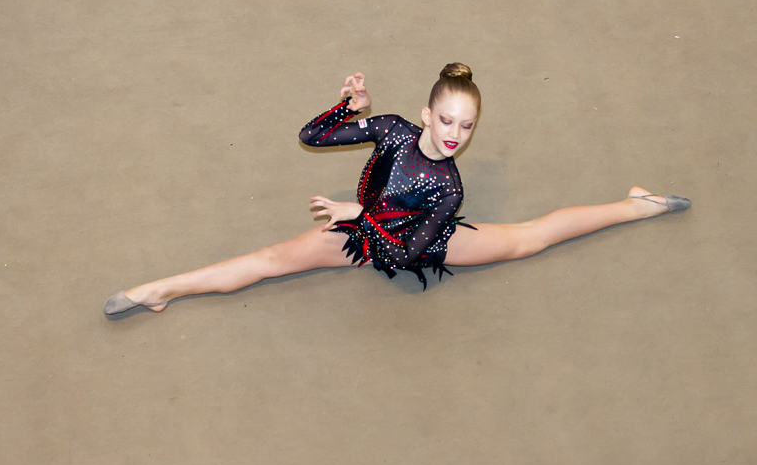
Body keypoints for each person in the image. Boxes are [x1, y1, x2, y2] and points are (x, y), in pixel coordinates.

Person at [104, 63, 690, 315]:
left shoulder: (449, 188)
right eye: (445, 121)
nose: (455, 134)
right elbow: (313, 134)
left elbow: (407, 255)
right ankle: (161, 290)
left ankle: (634, 205)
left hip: (417, 240)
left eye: (466, 126)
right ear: (425, 114)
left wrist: (357, 211)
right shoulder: (389, 130)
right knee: (268, 261)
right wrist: (348, 105)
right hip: (362, 233)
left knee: (529, 238)